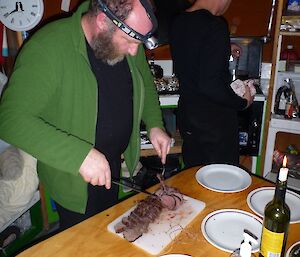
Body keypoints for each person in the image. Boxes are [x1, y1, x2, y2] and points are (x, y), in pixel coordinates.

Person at [0, 0, 171, 231]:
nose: (134, 51)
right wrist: (79, 156)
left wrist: (154, 124)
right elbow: (10, 120)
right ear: (102, 22)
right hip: (73, 175)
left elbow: (145, 81)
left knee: (107, 231)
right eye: (130, 42)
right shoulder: (48, 47)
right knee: (84, 241)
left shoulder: (126, 36)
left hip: (110, 164)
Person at [169, 0, 254, 168]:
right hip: (214, 122)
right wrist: (243, 102)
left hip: (189, 114)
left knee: (194, 173)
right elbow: (210, 85)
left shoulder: (179, 21)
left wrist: (223, 48)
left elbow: (194, 52)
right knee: (221, 180)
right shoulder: (215, 25)